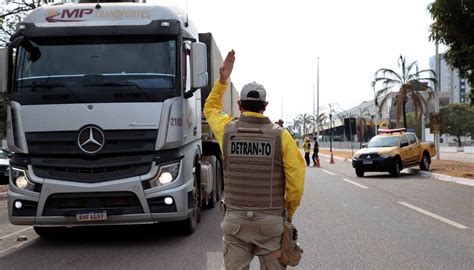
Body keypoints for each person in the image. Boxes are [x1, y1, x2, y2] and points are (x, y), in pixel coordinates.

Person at [204, 50, 305, 270]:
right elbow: (296, 181)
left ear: (239, 104)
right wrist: (287, 211)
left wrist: (223, 80)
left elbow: (210, 108)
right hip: (270, 224)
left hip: (235, 222)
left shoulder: (226, 130)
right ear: (265, 105)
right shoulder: (282, 136)